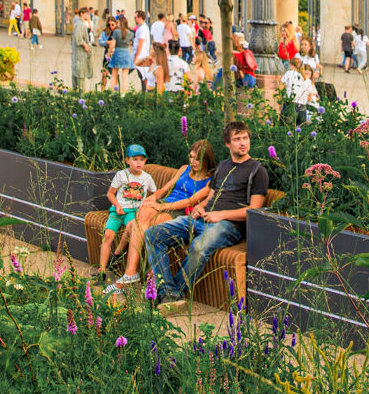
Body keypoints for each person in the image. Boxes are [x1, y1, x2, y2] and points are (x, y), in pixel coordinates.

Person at [145, 121, 269, 309]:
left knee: (198, 247)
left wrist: (220, 215)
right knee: (153, 235)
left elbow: (254, 210)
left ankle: (172, 295)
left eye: (245, 138)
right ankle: (167, 291)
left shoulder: (257, 171)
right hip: (204, 219)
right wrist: (201, 208)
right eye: (237, 139)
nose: (243, 143)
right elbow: (211, 197)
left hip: (228, 226)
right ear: (228, 143)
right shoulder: (223, 166)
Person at [104, 140, 216, 296]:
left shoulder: (210, 180)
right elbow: (165, 189)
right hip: (165, 202)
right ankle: (132, 275)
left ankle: (133, 275)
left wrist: (161, 207)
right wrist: (153, 198)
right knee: (142, 215)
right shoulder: (185, 169)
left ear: (207, 160)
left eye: (197, 159)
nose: (193, 162)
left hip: (179, 211)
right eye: (191, 157)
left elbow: (191, 201)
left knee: (136, 226)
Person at [95, 144, 158, 281]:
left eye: (142, 159)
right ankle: (102, 270)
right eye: (135, 159)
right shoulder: (121, 175)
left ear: (145, 161)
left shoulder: (147, 178)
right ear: (127, 160)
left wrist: (149, 203)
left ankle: (117, 254)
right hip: (118, 210)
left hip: (134, 212)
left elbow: (155, 193)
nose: (139, 162)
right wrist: (117, 205)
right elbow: (110, 193)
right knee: (108, 235)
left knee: (131, 227)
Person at [107, 14, 135, 93]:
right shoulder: (130, 33)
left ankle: (113, 91)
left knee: (114, 73)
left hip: (117, 52)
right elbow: (131, 43)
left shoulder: (116, 32)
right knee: (125, 75)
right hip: (125, 52)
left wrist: (108, 54)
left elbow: (113, 44)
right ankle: (124, 93)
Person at [72, 7, 93, 91]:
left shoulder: (80, 23)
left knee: (78, 71)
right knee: (80, 73)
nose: (88, 15)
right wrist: (85, 46)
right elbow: (78, 38)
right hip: (80, 53)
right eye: (86, 14)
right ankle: (81, 93)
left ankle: (77, 91)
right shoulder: (80, 24)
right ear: (82, 14)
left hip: (78, 53)